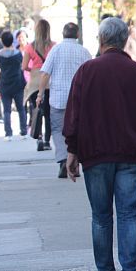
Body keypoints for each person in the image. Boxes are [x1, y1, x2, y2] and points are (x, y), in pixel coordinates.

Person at [63, 17, 136, 271]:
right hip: (130, 154)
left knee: (101, 216)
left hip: (95, 154)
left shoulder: (86, 72)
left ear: (101, 40)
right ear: (124, 41)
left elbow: (73, 116)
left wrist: (71, 151)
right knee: (129, 213)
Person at [37, 22, 93, 178]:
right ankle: (76, 161)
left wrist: (40, 94)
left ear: (63, 34)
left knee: (57, 130)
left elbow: (45, 74)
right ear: (78, 35)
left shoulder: (55, 50)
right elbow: (90, 76)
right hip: (79, 99)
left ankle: (63, 159)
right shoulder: (84, 52)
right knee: (79, 130)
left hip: (58, 99)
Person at [22, 19, 54, 151]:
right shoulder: (53, 46)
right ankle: (47, 141)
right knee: (48, 112)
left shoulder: (30, 47)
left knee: (37, 110)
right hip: (49, 81)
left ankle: (39, 137)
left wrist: (34, 70)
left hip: (35, 82)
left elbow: (24, 66)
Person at [0, 31, 27, 140]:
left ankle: (8, 133)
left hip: (5, 83)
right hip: (17, 83)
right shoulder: (17, 53)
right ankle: (24, 131)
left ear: (2, 41)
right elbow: (21, 64)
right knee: (21, 108)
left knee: (7, 110)